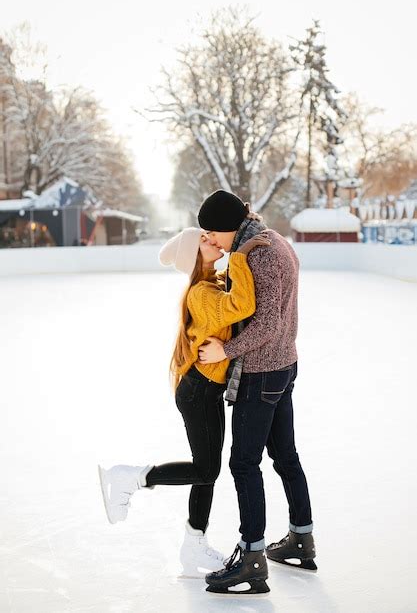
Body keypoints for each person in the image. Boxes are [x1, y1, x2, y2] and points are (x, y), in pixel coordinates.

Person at [97, 226, 271, 578]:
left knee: (206, 470)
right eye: (205, 241)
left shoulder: (210, 283)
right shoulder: (202, 293)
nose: (213, 241)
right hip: (198, 392)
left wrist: (235, 261)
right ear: (194, 256)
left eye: (211, 237)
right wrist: (240, 255)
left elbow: (233, 295)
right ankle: (131, 478)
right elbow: (243, 305)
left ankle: (193, 546)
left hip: (205, 390)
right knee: (206, 470)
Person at [196, 190, 316, 596]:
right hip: (284, 364)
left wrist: (223, 350)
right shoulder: (272, 239)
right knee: (285, 455)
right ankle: (302, 537)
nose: (212, 239)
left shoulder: (258, 254)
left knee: (244, 464)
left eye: (213, 232)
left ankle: (251, 557)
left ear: (229, 226)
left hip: (263, 371)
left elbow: (264, 323)